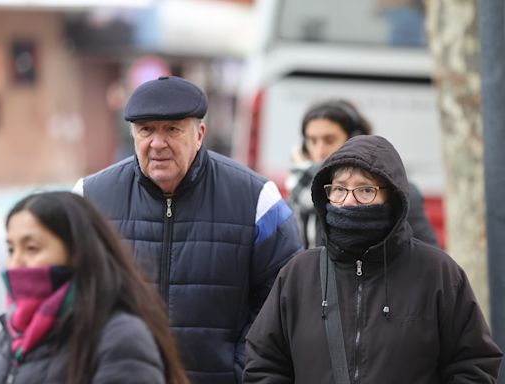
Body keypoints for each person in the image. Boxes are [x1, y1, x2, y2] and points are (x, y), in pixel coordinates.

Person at [73, 75, 302, 384]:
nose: (157, 143)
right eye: (146, 130)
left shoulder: (258, 199)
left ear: (199, 134)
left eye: (172, 129)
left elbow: (283, 296)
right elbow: (68, 295)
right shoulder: (88, 198)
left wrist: (239, 368)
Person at [244, 135, 503, 383]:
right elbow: (264, 362)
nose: (349, 202)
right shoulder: (299, 274)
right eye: (339, 189)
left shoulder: (438, 273)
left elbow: (473, 363)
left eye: (365, 190)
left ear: (392, 196)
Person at [0, 191, 189, 384]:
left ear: (76, 252)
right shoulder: (13, 332)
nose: (15, 263)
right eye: (11, 249)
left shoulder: (120, 337)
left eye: (31, 248)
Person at [286, 99, 439, 248]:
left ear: (354, 138)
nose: (319, 151)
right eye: (312, 141)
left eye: (329, 140)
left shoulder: (399, 193)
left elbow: (425, 258)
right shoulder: (297, 192)